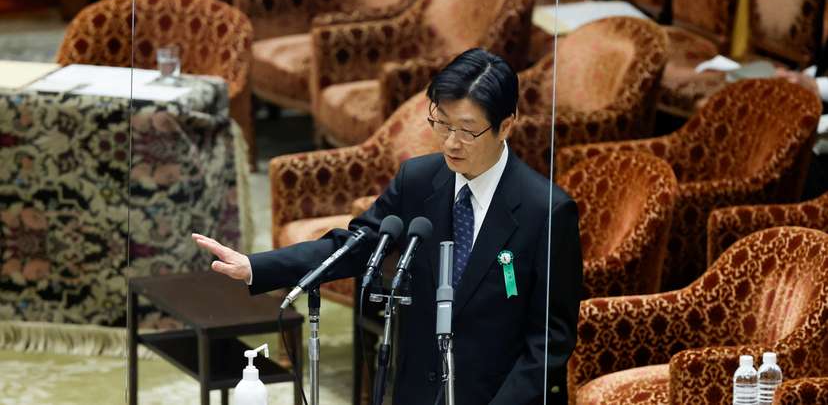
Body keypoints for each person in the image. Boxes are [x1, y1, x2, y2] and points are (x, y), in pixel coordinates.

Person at [193, 48, 583, 405]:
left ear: (506, 126)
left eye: (467, 130)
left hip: (496, 394)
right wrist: (257, 266)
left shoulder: (545, 210)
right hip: (415, 388)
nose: (450, 143)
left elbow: (549, 341)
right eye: (441, 124)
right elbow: (357, 245)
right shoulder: (419, 179)